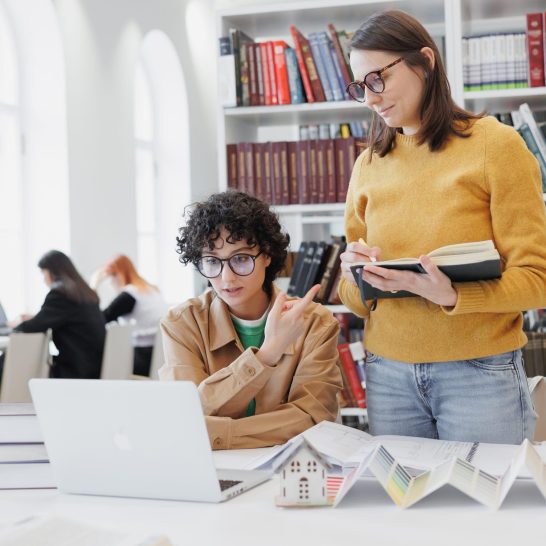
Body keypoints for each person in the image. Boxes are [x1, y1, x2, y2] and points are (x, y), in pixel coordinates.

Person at [338, 10, 546, 444]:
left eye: (378, 78)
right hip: (387, 374)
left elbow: (537, 280)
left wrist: (451, 295)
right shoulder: (368, 164)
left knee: (485, 510)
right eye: (361, 87)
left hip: (478, 373)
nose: (371, 98)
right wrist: (353, 275)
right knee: (407, 513)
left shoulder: (496, 146)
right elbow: (355, 302)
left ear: (425, 62)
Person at [159, 191, 342, 449]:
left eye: (241, 259)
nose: (227, 278)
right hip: (210, 469)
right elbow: (185, 414)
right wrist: (266, 355)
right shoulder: (182, 323)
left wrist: (215, 433)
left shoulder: (315, 323)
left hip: (287, 469)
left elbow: (312, 420)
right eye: (212, 261)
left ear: (267, 255)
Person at [12, 250, 105, 378]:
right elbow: (65, 318)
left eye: (43, 273)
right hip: (94, 366)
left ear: (52, 271)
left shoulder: (60, 293)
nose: (43, 279)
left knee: (14, 367)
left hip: (75, 370)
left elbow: (34, 326)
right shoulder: (83, 292)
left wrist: (16, 325)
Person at [93, 255, 168, 377]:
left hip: (142, 357)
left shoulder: (129, 294)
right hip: (161, 356)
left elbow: (100, 319)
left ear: (118, 275)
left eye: (110, 278)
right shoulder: (151, 289)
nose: (110, 284)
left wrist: (95, 284)